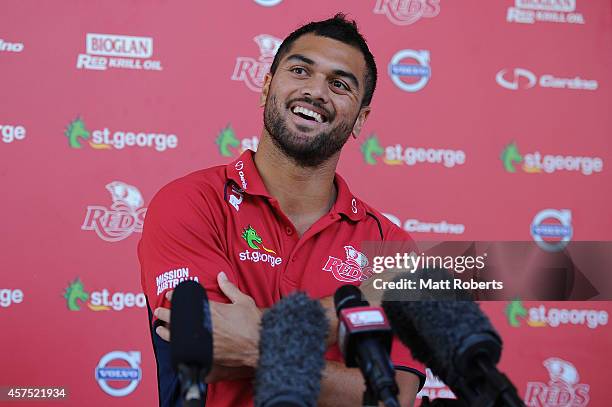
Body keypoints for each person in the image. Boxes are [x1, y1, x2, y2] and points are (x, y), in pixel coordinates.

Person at [139, 13, 426, 407]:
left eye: (339, 84)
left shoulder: (391, 244)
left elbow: (391, 397)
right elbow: (205, 348)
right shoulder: (190, 201)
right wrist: (365, 297)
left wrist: (258, 345)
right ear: (266, 87)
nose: (315, 92)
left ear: (360, 119)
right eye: (300, 71)